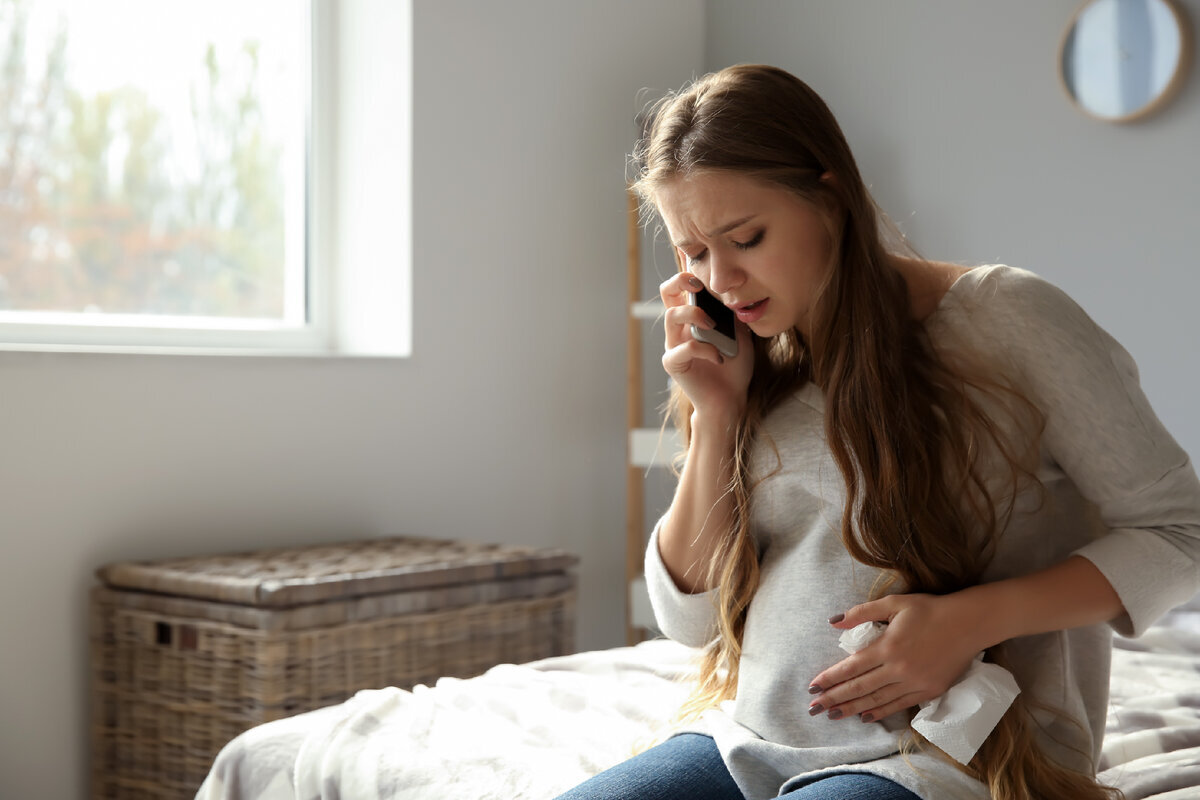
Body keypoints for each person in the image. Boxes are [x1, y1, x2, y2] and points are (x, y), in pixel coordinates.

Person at [555, 64, 1200, 800]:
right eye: (696, 254)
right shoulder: (751, 360)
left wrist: (965, 623)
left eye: (748, 238)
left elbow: (1180, 532)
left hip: (957, 756)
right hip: (753, 741)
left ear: (830, 199)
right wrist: (715, 415)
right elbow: (692, 618)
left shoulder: (1011, 319)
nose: (723, 280)